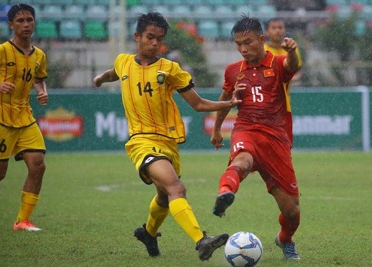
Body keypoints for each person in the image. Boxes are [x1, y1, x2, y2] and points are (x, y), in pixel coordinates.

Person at [93, 11, 241, 261]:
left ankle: (148, 233)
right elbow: (114, 73)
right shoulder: (123, 61)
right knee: (176, 188)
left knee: (164, 195)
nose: (154, 43)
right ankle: (201, 240)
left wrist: (229, 103)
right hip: (141, 141)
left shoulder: (170, 69)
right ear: (137, 36)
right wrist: (100, 78)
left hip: (168, 143)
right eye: (150, 37)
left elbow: (198, 104)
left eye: (159, 39)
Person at [210, 15, 301, 260]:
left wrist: (292, 52)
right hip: (246, 129)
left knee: (292, 211)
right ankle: (224, 193)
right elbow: (225, 100)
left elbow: (291, 66)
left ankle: (285, 239)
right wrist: (218, 129)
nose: (243, 49)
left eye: (248, 42)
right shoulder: (233, 71)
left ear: (262, 39)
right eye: (238, 44)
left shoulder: (277, 63)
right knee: (241, 161)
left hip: (275, 138)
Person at [0, 4, 48, 231]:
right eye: (21, 21)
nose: (26, 25)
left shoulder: (39, 55)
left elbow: (39, 77)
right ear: (11, 24)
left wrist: (42, 91)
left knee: (38, 166)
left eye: (29, 20)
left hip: (25, 116)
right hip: (0, 117)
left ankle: (22, 221)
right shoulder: (1, 50)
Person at [264, 17, 303, 84]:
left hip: (285, 94)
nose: (277, 31)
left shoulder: (291, 49)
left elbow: (297, 73)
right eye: (274, 28)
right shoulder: (262, 50)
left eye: (280, 27)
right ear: (267, 32)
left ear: (285, 30)